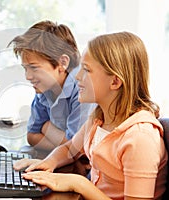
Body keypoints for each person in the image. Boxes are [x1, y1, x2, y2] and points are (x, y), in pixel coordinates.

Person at [13, 31, 168, 200]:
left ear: (115, 82)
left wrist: (78, 183)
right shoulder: (98, 118)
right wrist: (48, 163)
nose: (78, 76)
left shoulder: (140, 138)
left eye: (86, 70)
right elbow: (69, 149)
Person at [8, 20, 94, 152]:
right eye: (25, 69)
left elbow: (78, 149)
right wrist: (66, 146)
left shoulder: (83, 88)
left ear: (62, 63)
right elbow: (31, 137)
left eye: (34, 68)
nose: (28, 76)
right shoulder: (44, 89)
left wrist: (46, 128)